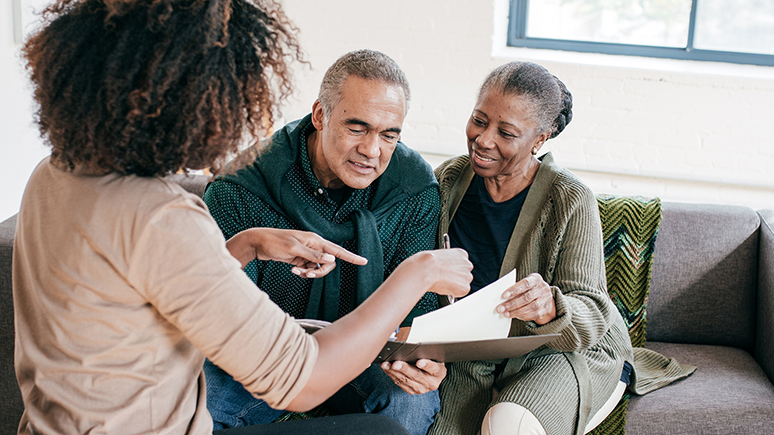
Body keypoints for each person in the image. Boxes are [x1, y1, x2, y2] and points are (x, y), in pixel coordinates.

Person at [12, 1, 472, 434]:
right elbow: (304, 379)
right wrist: (419, 271)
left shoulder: (54, 174)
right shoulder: (164, 219)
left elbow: (160, 289)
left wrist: (245, 245)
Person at [427, 62, 694, 435]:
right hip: (477, 353)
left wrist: (551, 305)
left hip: (562, 347)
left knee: (508, 424)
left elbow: (594, 308)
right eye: (479, 120)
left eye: (506, 132)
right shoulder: (449, 180)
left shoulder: (570, 198)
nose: (484, 139)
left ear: (540, 138)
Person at [201, 49, 447, 435]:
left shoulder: (414, 187)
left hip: (369, 357)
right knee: (202, 403)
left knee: (410, 402)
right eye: (357, 128)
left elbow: (421, 309)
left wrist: (425, 360)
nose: (372, 150)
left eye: (389, 135)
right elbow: (220, 316)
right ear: (320, 115)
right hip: (264, 355)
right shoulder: (241, 186)